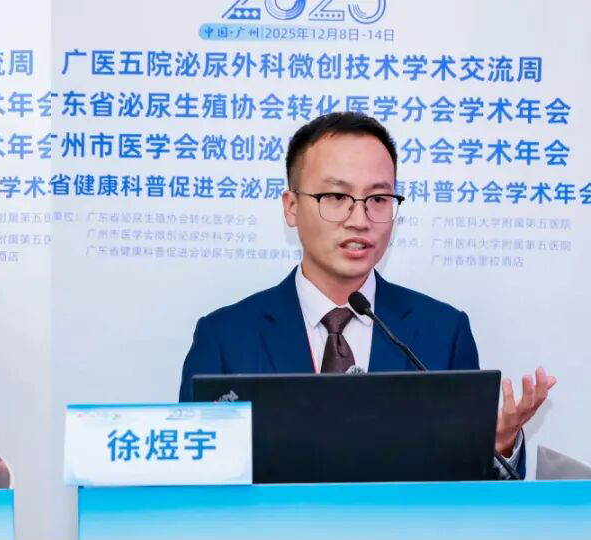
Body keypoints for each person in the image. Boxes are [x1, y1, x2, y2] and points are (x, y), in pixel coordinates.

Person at [178, 112, 555, 476]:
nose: (359, 220)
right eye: (336, 196)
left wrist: (497, 446)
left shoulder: (443, 332)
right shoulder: (225, 338)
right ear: (291, 207)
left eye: (378, 199)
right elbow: (193, 479)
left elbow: (471, 493)